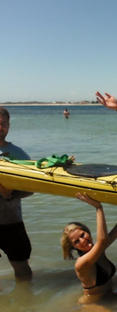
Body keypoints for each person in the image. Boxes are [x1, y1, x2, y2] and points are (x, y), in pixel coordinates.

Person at [61, 192, 117, 305]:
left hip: (109, 296)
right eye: (77, 241)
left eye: (82, 235)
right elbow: (102, 241)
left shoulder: (99, 250)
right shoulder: (82, 263)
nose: (82, 241)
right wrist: (98, 207)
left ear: (87, 232)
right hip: (93, 304)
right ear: (74, 247)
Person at [0, 106, 34, 282]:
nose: (0, 127)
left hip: (11, 221)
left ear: (8, 125)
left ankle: (26, 304)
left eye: (3, 123)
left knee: (22, 268)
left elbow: (32, 187)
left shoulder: (18, 154)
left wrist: (11, 195)